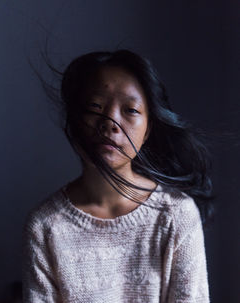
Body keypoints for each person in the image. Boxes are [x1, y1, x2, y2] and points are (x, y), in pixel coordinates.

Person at [22, 49, 214, 302]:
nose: (110, 120)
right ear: (75, 121)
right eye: (95, 106)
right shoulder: (45, 226)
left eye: (130, 110)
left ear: (147, 131)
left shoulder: (175, 215)